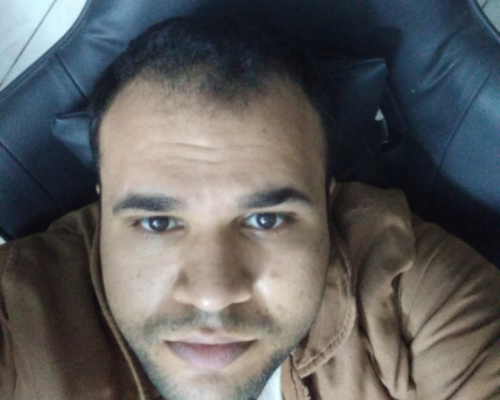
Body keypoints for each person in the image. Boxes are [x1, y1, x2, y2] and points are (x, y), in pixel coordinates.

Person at [0, 15, 499, 400]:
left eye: (266, 219)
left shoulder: (414, 292)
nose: (212, 297)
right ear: (102, 206)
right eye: (157, 221)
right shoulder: (22, 310)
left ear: (327, 203)